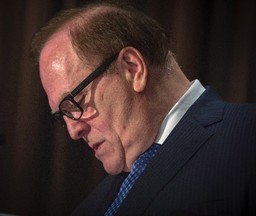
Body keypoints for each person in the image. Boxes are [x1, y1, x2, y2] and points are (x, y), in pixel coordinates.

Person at [30, 2, 256, 215]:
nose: (73, 131)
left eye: (76, 102)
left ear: (133, 68)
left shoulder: (247, 137)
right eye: (63, 115)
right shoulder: (91, 206)